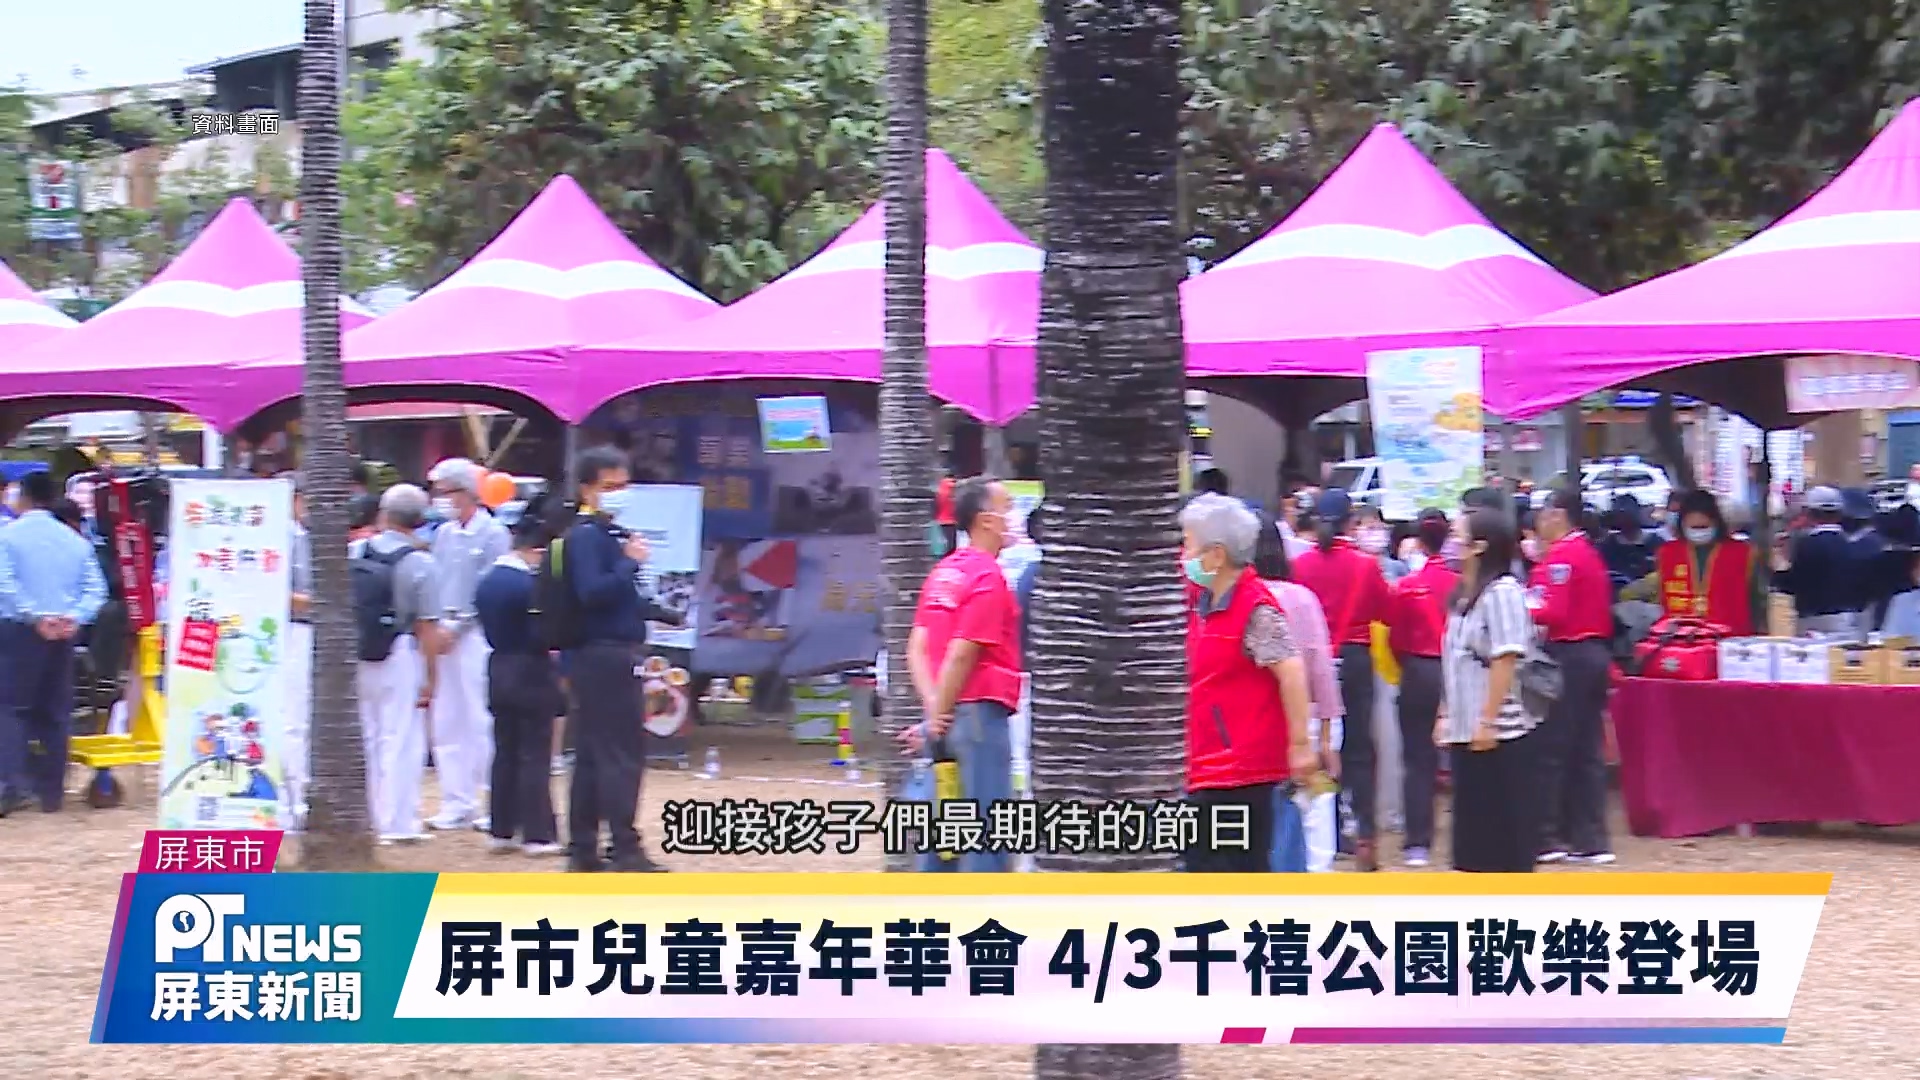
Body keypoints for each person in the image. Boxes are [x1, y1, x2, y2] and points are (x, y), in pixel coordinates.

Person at [1179, 494, 1316, 872]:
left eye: (1188, 545)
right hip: (1207, 762)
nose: (1183, 555)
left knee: (1231, 869)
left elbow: (1291, 671)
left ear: (1216, 555)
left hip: (1239, 768)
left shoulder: (1255, 608)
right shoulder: (1205, 602)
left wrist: (1300, 744)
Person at [901, 476, 1024, 872]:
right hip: (978, 717)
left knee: (946, 837)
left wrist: (933, 714)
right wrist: (939, 711)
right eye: (1007, 507)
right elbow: (962, 652)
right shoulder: (987, 577)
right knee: (986, 835)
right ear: (986, 520)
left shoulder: (943, 573)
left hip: (946, 718)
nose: (1013, 516)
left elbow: (917, 648)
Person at [562, 446, 673, 873]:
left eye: (624, 485)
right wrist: (628, 564)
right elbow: (592, 592)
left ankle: (584, 848)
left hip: (605, 653)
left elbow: (619, 598)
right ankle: (624, 847)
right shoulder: (586, 537)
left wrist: (660, 611)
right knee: (621, 753)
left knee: (593, 754)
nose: (619, 493)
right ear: (587, 488)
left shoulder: (607, 533)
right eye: (610, 486)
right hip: (605, 655)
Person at [1289, 488, 1391, 870]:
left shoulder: (1300, 565)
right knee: (1360, 749)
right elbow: (1386, 610)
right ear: (1351, 522)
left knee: (1320, 745)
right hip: (1355, 659)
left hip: (1312, 664)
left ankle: (1330, 832)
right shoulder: (1366, 565)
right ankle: (1365, 833)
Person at [1438, 508, 1542, 872]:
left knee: (1502, 839)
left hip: (1499, 734)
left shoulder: (1502, 592)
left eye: (1458, 535)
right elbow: (1454, 659)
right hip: (1464, 730)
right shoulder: (1463, 596)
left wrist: (1487, 719)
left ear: (1479, 545)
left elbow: (1505, 657)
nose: (1452, 542)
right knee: (1472, 841)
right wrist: (1445, 712)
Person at [0, 471, 108, 815]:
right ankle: (52, 793)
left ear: (24, 497)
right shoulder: (75, 541)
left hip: (19, 631)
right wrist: (74, 617)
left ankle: (12, 786)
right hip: (63, 635)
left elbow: (5, 584)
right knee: (56, 711)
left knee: (11, 709)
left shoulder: (8, 536)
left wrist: (35, 617)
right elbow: (97, 589)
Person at [1528, 486, 1616, 865]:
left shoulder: (1562, 556)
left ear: (1557, 515)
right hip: (1593, 653)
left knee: (1554, 747)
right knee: (1587, 749)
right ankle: (1591, 838)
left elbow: (1554, 611)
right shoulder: (1589, 553)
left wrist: (1520, 604)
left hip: (1570, 653)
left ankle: (1549, 835)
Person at [424, 458, 513, 832]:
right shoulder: (444, 534)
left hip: (476, 634)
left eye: (446, 491)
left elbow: (488, 588)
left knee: (480, 718)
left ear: (466, 492)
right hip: (442, 631)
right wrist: (436, 626)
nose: (440, 499)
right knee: (446, 718)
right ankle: (456, 800)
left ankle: (494, 801)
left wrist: (457, 627)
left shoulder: (494, 533)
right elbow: (435, 580)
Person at [1251, 511, 1341, 871]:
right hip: (1308, 720)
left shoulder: (1234, 600)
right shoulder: (1300, 598)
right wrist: (1326, 735)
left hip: (1255, 725)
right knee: (1314, 816)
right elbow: (1321, 668)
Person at [475, 495, 563, 857]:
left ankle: (502, 827)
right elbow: (544, 634)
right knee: (534, 753)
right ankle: (537, 833)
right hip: (530, 668)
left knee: (505, 751)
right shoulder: (528, 586)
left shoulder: (487, 581)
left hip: (499, 665)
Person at [356, 485, 440, 844]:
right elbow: (427, 626)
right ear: (420, 521)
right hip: (400, 650)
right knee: (402, 739)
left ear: (383, 514)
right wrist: (431, 675)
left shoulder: (356, 551)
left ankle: (367, 816)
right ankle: (398, 821)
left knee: (367, 737)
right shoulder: (421, 563)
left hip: (358, 651)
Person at [1387, 509, 1457, 868]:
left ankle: (1418, 842)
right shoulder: (1462, 583)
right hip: (1457, 671)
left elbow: (1396, 638)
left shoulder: (1407, 586)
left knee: (1417, 758)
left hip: (1417, 670)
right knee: (1465, 754)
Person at [1623, 489, 1764, 636]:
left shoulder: (1741, 553)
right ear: (1683, 525)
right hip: (1681, 639)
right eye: (1693, 528)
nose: (1698, 532)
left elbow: (1756, 601)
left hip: (1731, 638)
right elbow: (1663, 598)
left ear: (1716, 523)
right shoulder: (1668, 553)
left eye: (1703, 527)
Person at [1777, 485, 1862, 637]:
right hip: (1847, 620)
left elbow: (1793, 583)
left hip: (1812, 622)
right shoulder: (1851, 544)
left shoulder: (1806, 545)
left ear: (1809, 513)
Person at [279, 472, 314, 826]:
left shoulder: (303, 534)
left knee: (298, 722)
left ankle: (297, 800)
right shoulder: (283, 536)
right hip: (291, 631)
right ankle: (294, 804)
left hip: (305, 631)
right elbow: (280, 592)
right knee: (293, 721)